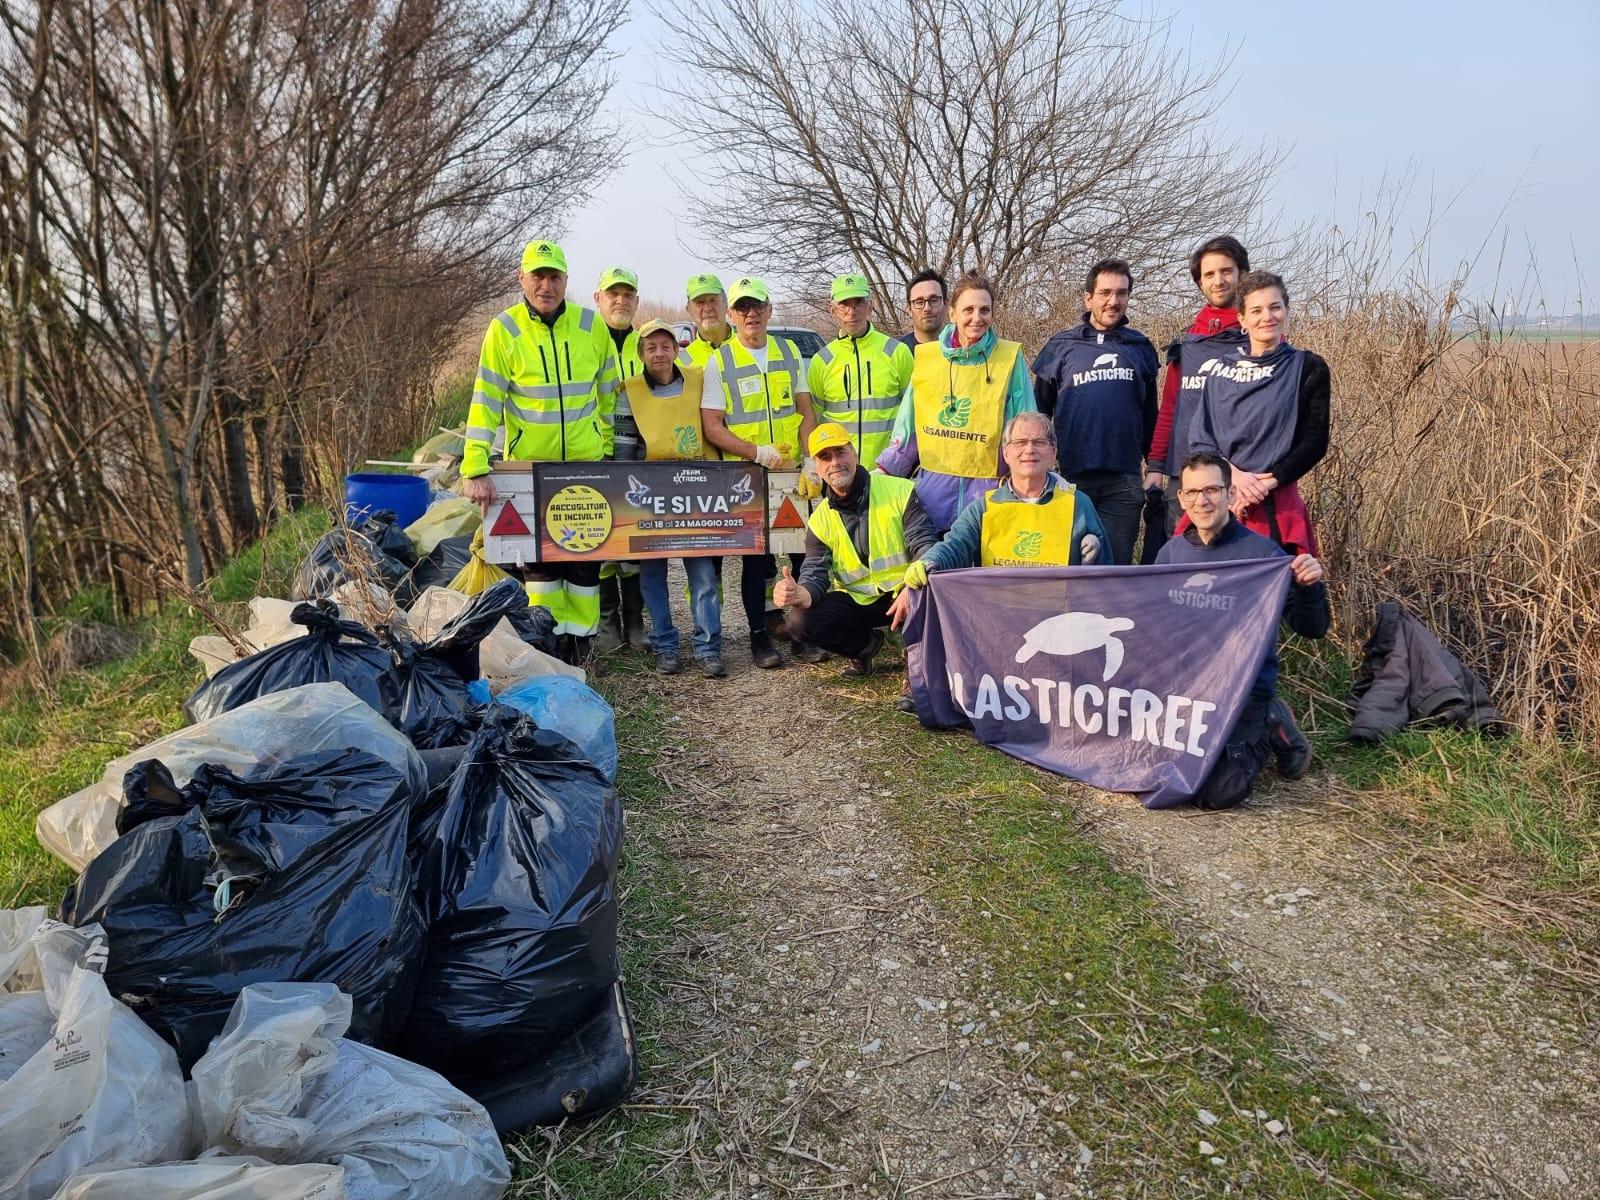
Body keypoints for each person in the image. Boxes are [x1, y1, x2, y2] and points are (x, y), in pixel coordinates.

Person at [461, 239, 620, 661]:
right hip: (528, 468)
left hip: (586, 465)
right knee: (540, 565)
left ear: (566, 281)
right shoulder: (505, 329)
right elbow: (486, 400)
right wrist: (475, 465)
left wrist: (603, 447)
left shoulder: (591, 326)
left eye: (554, 277)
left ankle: (582, 647)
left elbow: (608, 394)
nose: (546, 285)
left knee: (586, 560)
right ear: (522, 279)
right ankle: (546, 645)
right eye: (538, 276)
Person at [1155, 451, 1326, 809]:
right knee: (1163, 780)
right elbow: (1155, 627)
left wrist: (1310, 588)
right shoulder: (1170, 555)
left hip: (1241, 691)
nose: (1201, 501)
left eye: (1212, 490)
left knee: (1217, 794)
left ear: (1231, 495)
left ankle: (1272, 723)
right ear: (1182, 497)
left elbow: (1311, 628)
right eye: (1192, 492)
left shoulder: (1263, 556)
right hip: (1188, 691)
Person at [699, 276, 821, 668]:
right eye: (742, 308)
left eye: (758, 306)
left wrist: (811, 457)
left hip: (790, 473)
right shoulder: (721, 360)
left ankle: (802, 633)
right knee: (755, 561)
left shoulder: (788, 352)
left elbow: (805, 411)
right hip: (747, 475)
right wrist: (755, 451)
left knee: (802, 555)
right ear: (731, 315)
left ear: (769, 310)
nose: (751, 314)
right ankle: (759, 638)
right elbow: (712, 425)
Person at [877, 271, 1037, 535]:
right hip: (932, 501)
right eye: (969, 309)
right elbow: (908, 431)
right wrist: (883, 474)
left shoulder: (1009, 359)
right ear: (952, 313)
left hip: (990, 500)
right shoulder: (927, 358)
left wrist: (1030, 485)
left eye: (985, 309)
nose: (977, 318)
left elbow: (1025, 429)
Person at [774, 422, 936, 676]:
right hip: (859, 602)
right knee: (798, 621)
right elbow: (815, 570)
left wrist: (912, 589)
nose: (835, 462)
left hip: (904, 595)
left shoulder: (899, 491)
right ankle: (864, 647)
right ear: (817, 467)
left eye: (840, 452)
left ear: (855, 454)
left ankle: (916, 671)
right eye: (825, 457)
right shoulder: (820, 520)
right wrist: (801, 592)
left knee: (932, 591)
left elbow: (924, 545)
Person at [1186, 270, 1329, 556]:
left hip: (1277, 502)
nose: (1268, 317)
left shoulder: (1307, 367)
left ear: (1286, 310)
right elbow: (1201, 438)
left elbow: (1314, 441)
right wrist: (1233, 480)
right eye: (1257, 310)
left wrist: (1266, 483)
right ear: (1242, 319)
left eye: (1275, 307)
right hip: (1221, 497)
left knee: (1282, 595)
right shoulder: (1220, 369)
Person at [1030, 257, 1158, 565]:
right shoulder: (1061, 346)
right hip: (1070, 479)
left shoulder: (1140, 348)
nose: (1114, 301)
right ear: (1089, 297)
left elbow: (1151, 416)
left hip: (1123, 481)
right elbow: (1039, 414)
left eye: (1121, 293)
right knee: (1068, 564)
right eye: (1105, 293)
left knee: (1113, 567)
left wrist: (1155, 467)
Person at [619, 319, 725, 678]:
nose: (660, 354)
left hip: (697, 496)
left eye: (666, 346)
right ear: (641, 354)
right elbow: (623, 448)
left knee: (704, 577)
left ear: (676, 349)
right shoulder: (629, 391)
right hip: (651, 498)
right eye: (651, 348)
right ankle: (665, 646)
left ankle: (708, 648)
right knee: (652, 578)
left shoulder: (699, 378)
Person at [1148, 235, 1252, 530]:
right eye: (1209, 274)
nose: (1218, 280)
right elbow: (1170, 409)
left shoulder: (1259, 341)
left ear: (1242, 275)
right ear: (1199, 282)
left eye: (1226, 271)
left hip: (1239, 477)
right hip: (1186, 475)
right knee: (1180, 564)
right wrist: (1155, 466)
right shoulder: (1186, 342)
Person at [807, 272, 916, 470]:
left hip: (888, 469)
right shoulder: (821, 361)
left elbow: (912, 412)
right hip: (838, 472)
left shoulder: (896, 352)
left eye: (858, 302)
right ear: (832, 309)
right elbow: (813, 418)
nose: (852, 311)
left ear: (870, 306)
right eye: (844, 304)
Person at [594, 265, 646, 652]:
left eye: (627, 294)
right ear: (599, 299)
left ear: (636, 301)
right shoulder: (585, 340)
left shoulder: (645, 343)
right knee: (599, 538)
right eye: (613, 293)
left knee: (633, 540)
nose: (620, 300)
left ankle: (635, 621)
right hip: (595, 454)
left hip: (636, 455)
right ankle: (607, 620)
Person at [681, 272, 735, 368]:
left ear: (726, 304)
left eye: (713, 300)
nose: (707, 308)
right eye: (700, 302)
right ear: (688, 309)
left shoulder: (748, 347)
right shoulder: (682, 361)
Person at [896, 269, 949, 351]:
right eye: (919, 302)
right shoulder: (897, 353)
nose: (927, 308)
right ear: (909, 309)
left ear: (946, 304)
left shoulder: (965, 349)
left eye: (934, 300)